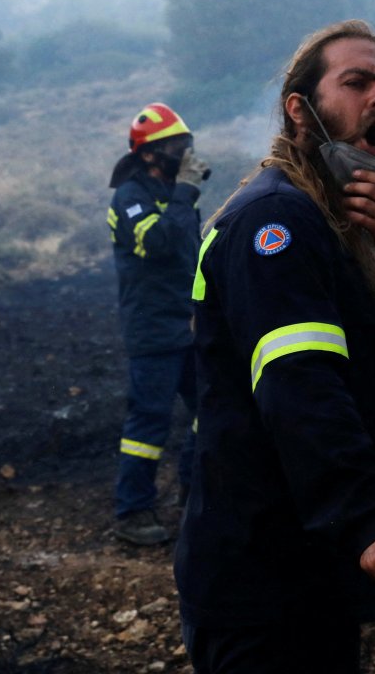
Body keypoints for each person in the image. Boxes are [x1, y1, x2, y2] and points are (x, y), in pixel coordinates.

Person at [175, 19, 375, 673]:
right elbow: (299, 386)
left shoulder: (343, 228)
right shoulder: (275, 221)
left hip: (312, 569)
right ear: (300, 111)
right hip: (260, 582)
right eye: (357, 82)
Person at [107, 102, 210, 545]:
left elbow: (192, 254)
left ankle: (195, 495)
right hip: (152, 330)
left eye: (186, 145)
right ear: (149, 153)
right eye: (174, 146)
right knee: (148, 424)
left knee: (212, 408)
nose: (184, 154)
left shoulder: (175, 192)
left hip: (189, 325)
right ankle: (132, 514)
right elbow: (159, 244)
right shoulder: (129, 197)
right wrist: (186, 193)